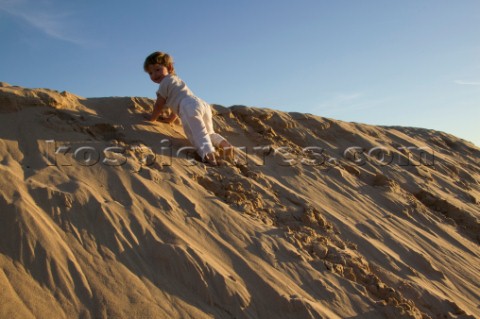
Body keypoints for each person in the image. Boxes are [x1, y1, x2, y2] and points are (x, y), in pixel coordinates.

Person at [143, 51, 234, 166]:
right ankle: (224, 144)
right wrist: (171, 119)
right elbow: (177, 102)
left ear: (169, 67)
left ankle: (209, 157)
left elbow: (159, 105)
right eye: (150, 73)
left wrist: (152, 118)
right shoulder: (176, 80)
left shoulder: (164, 83)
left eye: (157, 70)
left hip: (188, 106)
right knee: (208, 132)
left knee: (198, 134)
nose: (154, 75)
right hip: (202, 104)